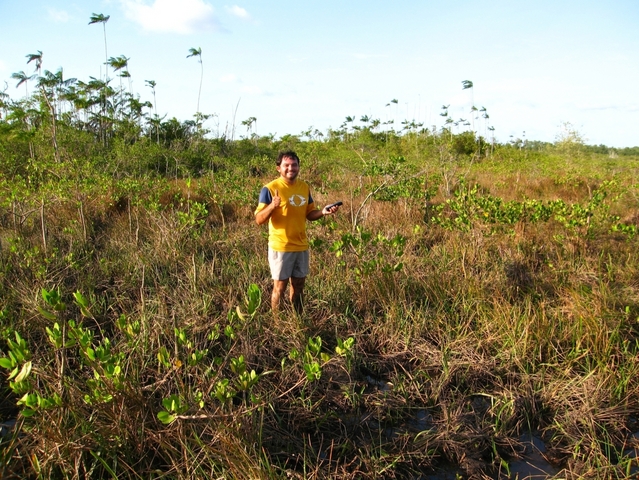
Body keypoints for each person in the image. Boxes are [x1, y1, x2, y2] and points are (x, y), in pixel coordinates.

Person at [255, 150, 341, 314]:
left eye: (294, 165)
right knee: (279, 288)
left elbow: (309, 214)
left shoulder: (304, 187)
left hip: (301, 246)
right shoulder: (269, 189)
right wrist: (273, 206)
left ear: (298, 167)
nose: (290, 168)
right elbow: (259, 219)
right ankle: (277, 321)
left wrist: (323, 212)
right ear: (278, 168)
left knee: (299, 285)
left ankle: (298, 318)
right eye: (286, 165)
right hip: (281, 247)